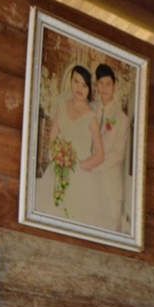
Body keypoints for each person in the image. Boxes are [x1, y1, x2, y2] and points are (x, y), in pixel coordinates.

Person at [40, 65, 105, 224]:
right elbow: (53, 135)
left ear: (89, 89)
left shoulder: (91, 117)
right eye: (76, 81)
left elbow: (100, 155)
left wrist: (78, 165)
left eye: (84, 85)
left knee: (73, 217)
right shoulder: (62, 106)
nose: (79, 88)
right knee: (51, 213)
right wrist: (58, 157)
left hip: (79, 176)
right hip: (58, 171)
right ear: (71, 81)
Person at [92, 63, 130, 233]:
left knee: (112, 230)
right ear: (96, 85)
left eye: (108, 84)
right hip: (89, 181)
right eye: (101, 83)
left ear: (114, 87)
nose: (105, 88)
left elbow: (118, 154)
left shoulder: (121, 119)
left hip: (110, 184)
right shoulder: (90, 109)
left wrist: (95, 166)